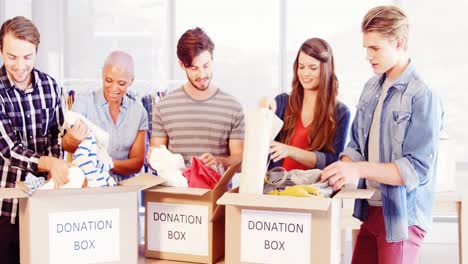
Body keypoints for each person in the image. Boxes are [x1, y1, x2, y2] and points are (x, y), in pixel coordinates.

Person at [321, 6, 444, 263]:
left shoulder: (422, 95)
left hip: (403, 218)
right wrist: (341, 170)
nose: (368, 56)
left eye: (375, 48)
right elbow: (355, 145)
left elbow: (416, 169)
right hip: (371, 209)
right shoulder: (371, 87)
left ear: (398, 43)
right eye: (366, 48)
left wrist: (359, 170)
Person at [0, 16, 69, 263]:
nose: (19, 65)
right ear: (1, 51)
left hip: (46, 205)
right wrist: (49, 163)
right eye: (12, 57)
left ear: (36, 52)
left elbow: (57, 136)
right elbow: (9, 150)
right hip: (6, 210)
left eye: (27, 57)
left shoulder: (51, 87)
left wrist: (58, 158)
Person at [150, 27, 244, 168]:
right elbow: (155, 161)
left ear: (212, 59)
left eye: (206, 66)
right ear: (182, 65)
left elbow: (240, 160)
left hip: (216, 190)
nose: (202, 74)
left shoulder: (233, 107)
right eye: (194, 68)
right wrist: (154, 159)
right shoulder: (164, 107)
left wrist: (219, 161)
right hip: (175, 190)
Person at [259, 37, 350, 171]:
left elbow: (331, 161)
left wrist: (290, 151)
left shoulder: (340, 112)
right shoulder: (283, 102)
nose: (305, 73)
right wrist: (263, 109)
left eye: (313, 68)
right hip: (276, 187)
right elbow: (260, 139)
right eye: (301, 67)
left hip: (312, 189)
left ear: (326, 70)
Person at [62, 51, 148, 182]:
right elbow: (67, 145)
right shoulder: (84, 103)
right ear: (102, 74)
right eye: (108, 80)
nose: (114, 88)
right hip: (89, 187)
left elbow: (137, 163)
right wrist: (71, 139)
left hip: (125, 190)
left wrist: (106, 164)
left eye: (121, 83)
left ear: (131, 80)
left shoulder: (138, 112)